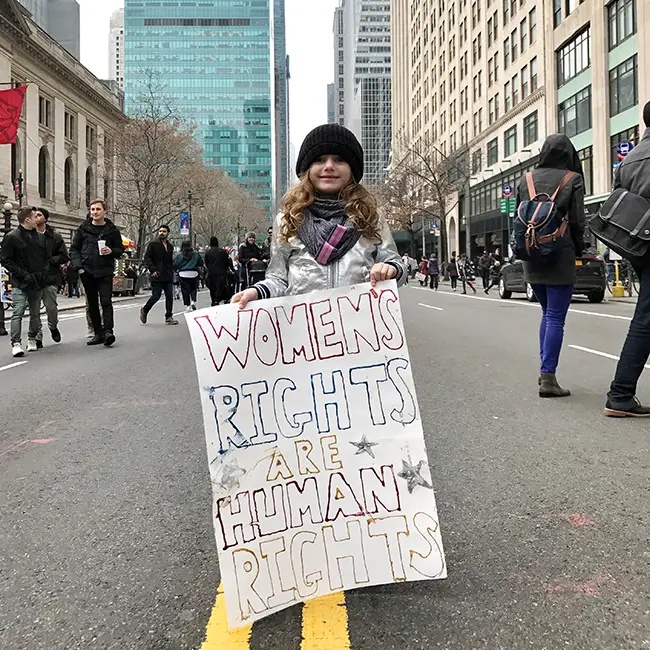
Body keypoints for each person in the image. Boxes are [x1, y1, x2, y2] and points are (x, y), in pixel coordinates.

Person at [231, 123, 406, 308]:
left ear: (352, 170)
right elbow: (277, 278)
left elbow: (396, 265)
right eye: (320, 159)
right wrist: (257, 291)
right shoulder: (288, 219)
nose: (329, 166)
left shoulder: (370, 216)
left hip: (357, 328)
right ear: (307, 169)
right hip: (303, 329)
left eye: (339, 159)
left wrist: (391, 269)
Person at [514, 134, 585, 398]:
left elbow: (518, 216)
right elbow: (578, 221)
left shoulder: (526, 179)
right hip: (559, 253)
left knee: (547, 313)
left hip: (530, 254)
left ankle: (545, 371)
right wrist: (580, 248)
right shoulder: (572, 179)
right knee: (555, 316)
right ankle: (548, 377)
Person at [604, 102, 650, 417]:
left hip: (637, 246)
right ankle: (619, 394)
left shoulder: (630, 158)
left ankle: (621, 394)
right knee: (646, 320)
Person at [70, 199, 125, 347]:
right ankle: (98, 333)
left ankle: (108, 331)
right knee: (92, 303)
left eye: (98, 209)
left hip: (105, 271)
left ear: (105, 211)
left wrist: (111, 251)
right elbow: (74, 249)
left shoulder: (112, 230)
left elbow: (120, 250)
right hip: (87, 271)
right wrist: (79, 268)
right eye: (92, 209)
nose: (94, 212)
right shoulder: (83, 229)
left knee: (106, 301)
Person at [0, 206, 48, 357]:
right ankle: (16, 343)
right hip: (20, 281)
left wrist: (43, 273)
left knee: (35, 314)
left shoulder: (41, 237)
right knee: (17, 312)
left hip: (37, 281)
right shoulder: (12, 237)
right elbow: (5, 260)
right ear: (27, 219)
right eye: (35, 217)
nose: (38, 219)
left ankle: (32, 338)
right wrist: (21, 274)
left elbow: (46, 257)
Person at [35, 207, 68, 347]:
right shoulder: (26, 235)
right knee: (34, 309)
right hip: (33, 278)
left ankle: (53, 327)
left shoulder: (55, 236)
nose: (36, 217)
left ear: (45, 218)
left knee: (51, 307)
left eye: (39, 215)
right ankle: (36, 335)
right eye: (34, 215)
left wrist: (50, 260)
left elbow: (64, 256)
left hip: (50, 277)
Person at [140, 224, 178, 325]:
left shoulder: (170, 246)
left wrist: (172, 269)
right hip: (156, 274)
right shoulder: (153, 244)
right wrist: (153, 270)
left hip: (168, 274)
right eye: (160, 231)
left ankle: (169, 316)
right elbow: (147, 258)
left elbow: (170, 260)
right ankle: (145, 310)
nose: (161, 233)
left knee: (169, 296)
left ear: (168, 233)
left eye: (164, 231)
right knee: (156, 296)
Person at [174, 240, 204, 312]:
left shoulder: (179, 255)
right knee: (193, 288)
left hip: (183, 273)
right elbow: (201, 263)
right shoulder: (195, 254)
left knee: (185, 290)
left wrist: (177, 270)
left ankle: (187, 305)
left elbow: (176, 265)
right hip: (194, 273)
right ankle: (193, 301)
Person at [205, 236, 235, 305]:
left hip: (211, 272)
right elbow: (226, 262)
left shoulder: (208, 252)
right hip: (221, 271)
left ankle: (213, 299)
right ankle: (218, 299)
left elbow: (206, 262)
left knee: (212, 286)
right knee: (220, 286)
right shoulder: (222, 251)